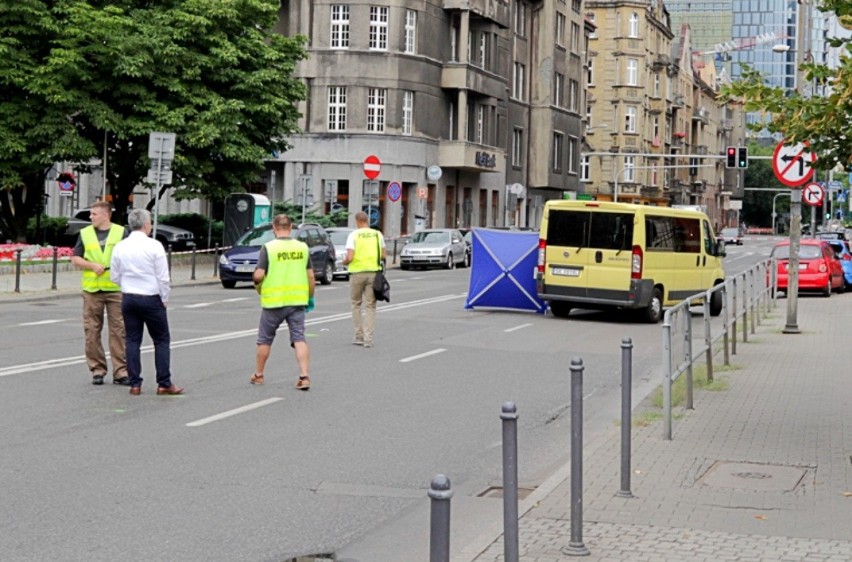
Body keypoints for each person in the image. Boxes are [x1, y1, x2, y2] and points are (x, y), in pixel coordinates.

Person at [109, 209, 183, 396]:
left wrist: (126, 285)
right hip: (151, 298)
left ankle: (135, 383)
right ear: (146, 225)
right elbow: (163, 277)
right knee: (161, 340)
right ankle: (164, 383)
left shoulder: (120, 246)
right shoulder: (154, 246)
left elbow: (114, 276)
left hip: (129, 297)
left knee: (132, 340)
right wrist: (164, 298)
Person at [250, 214, 315, 390]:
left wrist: (255, 280)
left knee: (264, 339)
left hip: (273, 302)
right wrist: (310, 296)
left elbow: (259, 275)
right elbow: (310, 276)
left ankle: (259, 375)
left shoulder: (269, 248)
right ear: (291, 227)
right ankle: (304, 376)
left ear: (274, 228)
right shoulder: (302, 247)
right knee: (299, 337)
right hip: (297, 301)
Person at [70, 200, 129, 386]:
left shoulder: (121, 232)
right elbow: (75, 258)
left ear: (106, 215)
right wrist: (91, 265)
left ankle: (121, 371)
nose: (90, 217)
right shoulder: (85, 234)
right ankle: (97, 370)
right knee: (92, 331)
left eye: (94, 214)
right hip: (92, 289)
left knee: (118, 331)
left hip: (115, 288)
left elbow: (129, 256)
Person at [342, 211, 386, 348]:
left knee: (356, 304)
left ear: (358, 222)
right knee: (370, 306)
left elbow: (350, 257)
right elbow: (384, 255)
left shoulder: (353, 235)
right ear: (367, 221)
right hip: (373, 273)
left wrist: (344, 262)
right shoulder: (377, 234)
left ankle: (358, 336)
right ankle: (368, 338)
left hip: (356, 273)